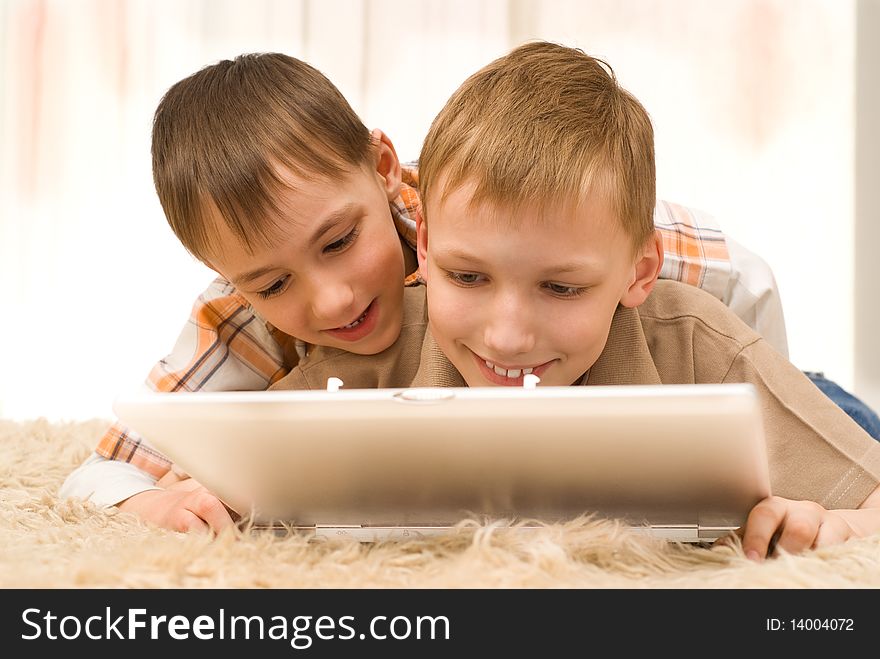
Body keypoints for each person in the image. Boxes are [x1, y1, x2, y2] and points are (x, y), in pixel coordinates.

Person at [55, 51, 838, 533]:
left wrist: (758, 417)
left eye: (339, 241)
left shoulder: (525, 222)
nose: (328, 302)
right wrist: (149, 504)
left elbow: (743, 277)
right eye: (273, 281)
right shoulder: (241, 321)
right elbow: (108, 466)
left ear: (388, 172)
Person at [269, 41, 880, 560]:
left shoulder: (698, 343)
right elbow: (223, 470)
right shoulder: (372, 354)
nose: (507, 336)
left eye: (560, 288)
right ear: (424, 248)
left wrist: (847, 525)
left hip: (798, 378)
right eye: (468, 277)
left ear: (638, 273)